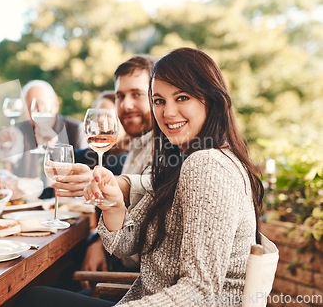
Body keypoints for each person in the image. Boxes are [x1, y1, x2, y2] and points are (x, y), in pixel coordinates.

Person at [13, 47, 264, 306]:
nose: (167, 113)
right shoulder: (182, 160)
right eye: (159, 100)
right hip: (147, 297)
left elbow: (199, 292)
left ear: (210, 99)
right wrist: (113, 205)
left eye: (182, 98)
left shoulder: (207, 165)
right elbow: (125, 244)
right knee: (35, 296)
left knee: (31, 299)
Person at [57, 55, 157, 288]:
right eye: (120, 96)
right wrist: (97, 240)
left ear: (157, 96)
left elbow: (151, 184)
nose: (126, 104)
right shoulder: (137, 145)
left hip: (133, 287)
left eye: (137, 94)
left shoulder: (167, 146)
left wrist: (112, 184)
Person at [74, 90, 129, 175]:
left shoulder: (125, 159)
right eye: (98, 115)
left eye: (108, 115)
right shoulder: (91, 153)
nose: (100, 119)